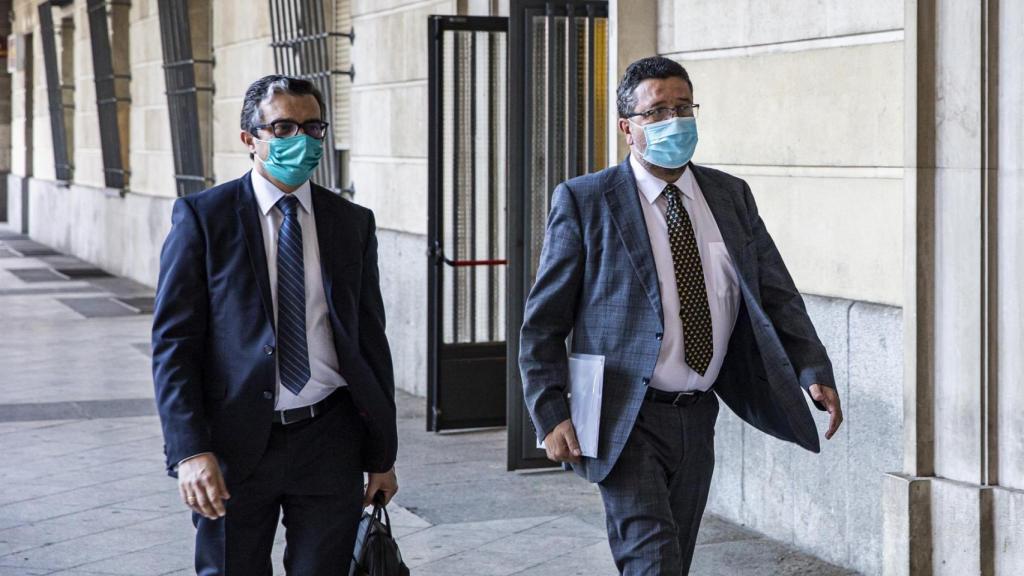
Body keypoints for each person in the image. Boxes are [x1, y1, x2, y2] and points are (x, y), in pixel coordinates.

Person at [519, 56, 844, 575]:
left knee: (675, 558)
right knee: (653, 562)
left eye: (682, 107)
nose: (674, 120)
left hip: (699, 414)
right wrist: (550, 408)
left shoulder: (729, 195)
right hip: (625, 415)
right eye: (656, 112)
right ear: (628, 128)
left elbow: (776, 291)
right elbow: (543, 322)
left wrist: (812, 367)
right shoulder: (586, 201)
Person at [152, 75, 398, 575]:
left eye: (312, 127)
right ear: (250, 138)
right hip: (232, 443)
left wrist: (381, 454)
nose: (300, 140)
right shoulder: (204, 218)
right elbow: (174, 344)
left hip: (329, 436)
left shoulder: (351, 223)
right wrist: (190, 450)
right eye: (282, 127)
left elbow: (369, 341)